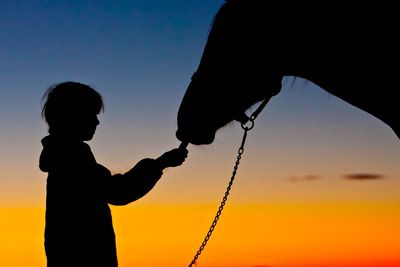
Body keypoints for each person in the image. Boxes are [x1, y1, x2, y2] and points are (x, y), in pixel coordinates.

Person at [39, 81, 188, 267]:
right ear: (73, 116)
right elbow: (118, 192)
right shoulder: (72, 158)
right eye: (91, 114)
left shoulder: (62, 156)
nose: (97, 121)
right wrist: (160, 164)